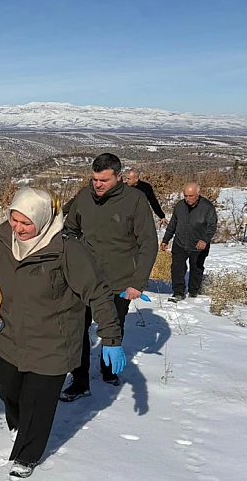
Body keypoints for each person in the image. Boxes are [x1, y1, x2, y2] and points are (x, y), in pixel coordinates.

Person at [0, 187, 125, 479]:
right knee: (6, 388)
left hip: (54, 342)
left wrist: (111, 339)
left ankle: (27, 455)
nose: (19, 228)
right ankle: (22, 425)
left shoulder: (67, 249)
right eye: (14, 220)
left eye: (26, 223)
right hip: (14, 336)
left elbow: (98, 294)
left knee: (39, 403)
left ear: (42, 219)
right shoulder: (3, 242)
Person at [61, 153, 158, 400]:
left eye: (104, 180)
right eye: (94, 179)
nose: (98, 184)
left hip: (118, 280)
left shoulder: (135, 200)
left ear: (119, 177)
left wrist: (138, 283)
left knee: (113, 325)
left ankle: (108, 368)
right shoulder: (84, 196)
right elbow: (70, 230)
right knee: (78, 329)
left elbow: (148, 243)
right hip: (84, 280)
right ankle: (80, 381)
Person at [160, 183, 218, 302]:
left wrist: (205, 240)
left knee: (196, 269)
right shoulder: (180, 206)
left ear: (198, 194)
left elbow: (212, 226)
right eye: (185, 196)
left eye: (191, 196)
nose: (188, 199)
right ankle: (178, 292)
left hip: (198, 245)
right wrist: (166, 240)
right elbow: (172, 225)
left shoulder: (207, 207)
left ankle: (193, 291)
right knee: (177, 268)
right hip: (180, 243)